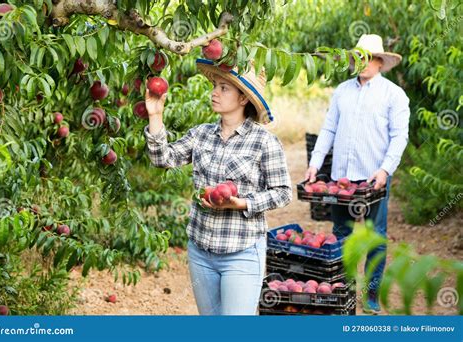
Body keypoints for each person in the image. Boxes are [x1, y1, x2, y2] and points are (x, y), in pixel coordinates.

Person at [144, 58, 293, 315]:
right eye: (215, 86)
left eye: (224, 88)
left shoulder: (264, 142)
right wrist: (155, 114)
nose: (214, 92)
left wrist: (242, 203)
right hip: (201, 251)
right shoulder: (200, 134)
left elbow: (283, 193)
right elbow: (162, 159)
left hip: (242, 251)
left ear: (243, 98)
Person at [304, 34, 410, 314]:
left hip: (374, 178)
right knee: (341, 235)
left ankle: (371, 294)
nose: (363, 62)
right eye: (358, 57)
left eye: (369, 57)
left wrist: (386, 169)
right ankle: (345, 291)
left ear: (379, 62)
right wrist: (315, 163)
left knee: (375, 236)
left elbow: (399, 136)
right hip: (342, 178)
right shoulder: (342, 91)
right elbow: (328, 130)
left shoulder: (393, 95)